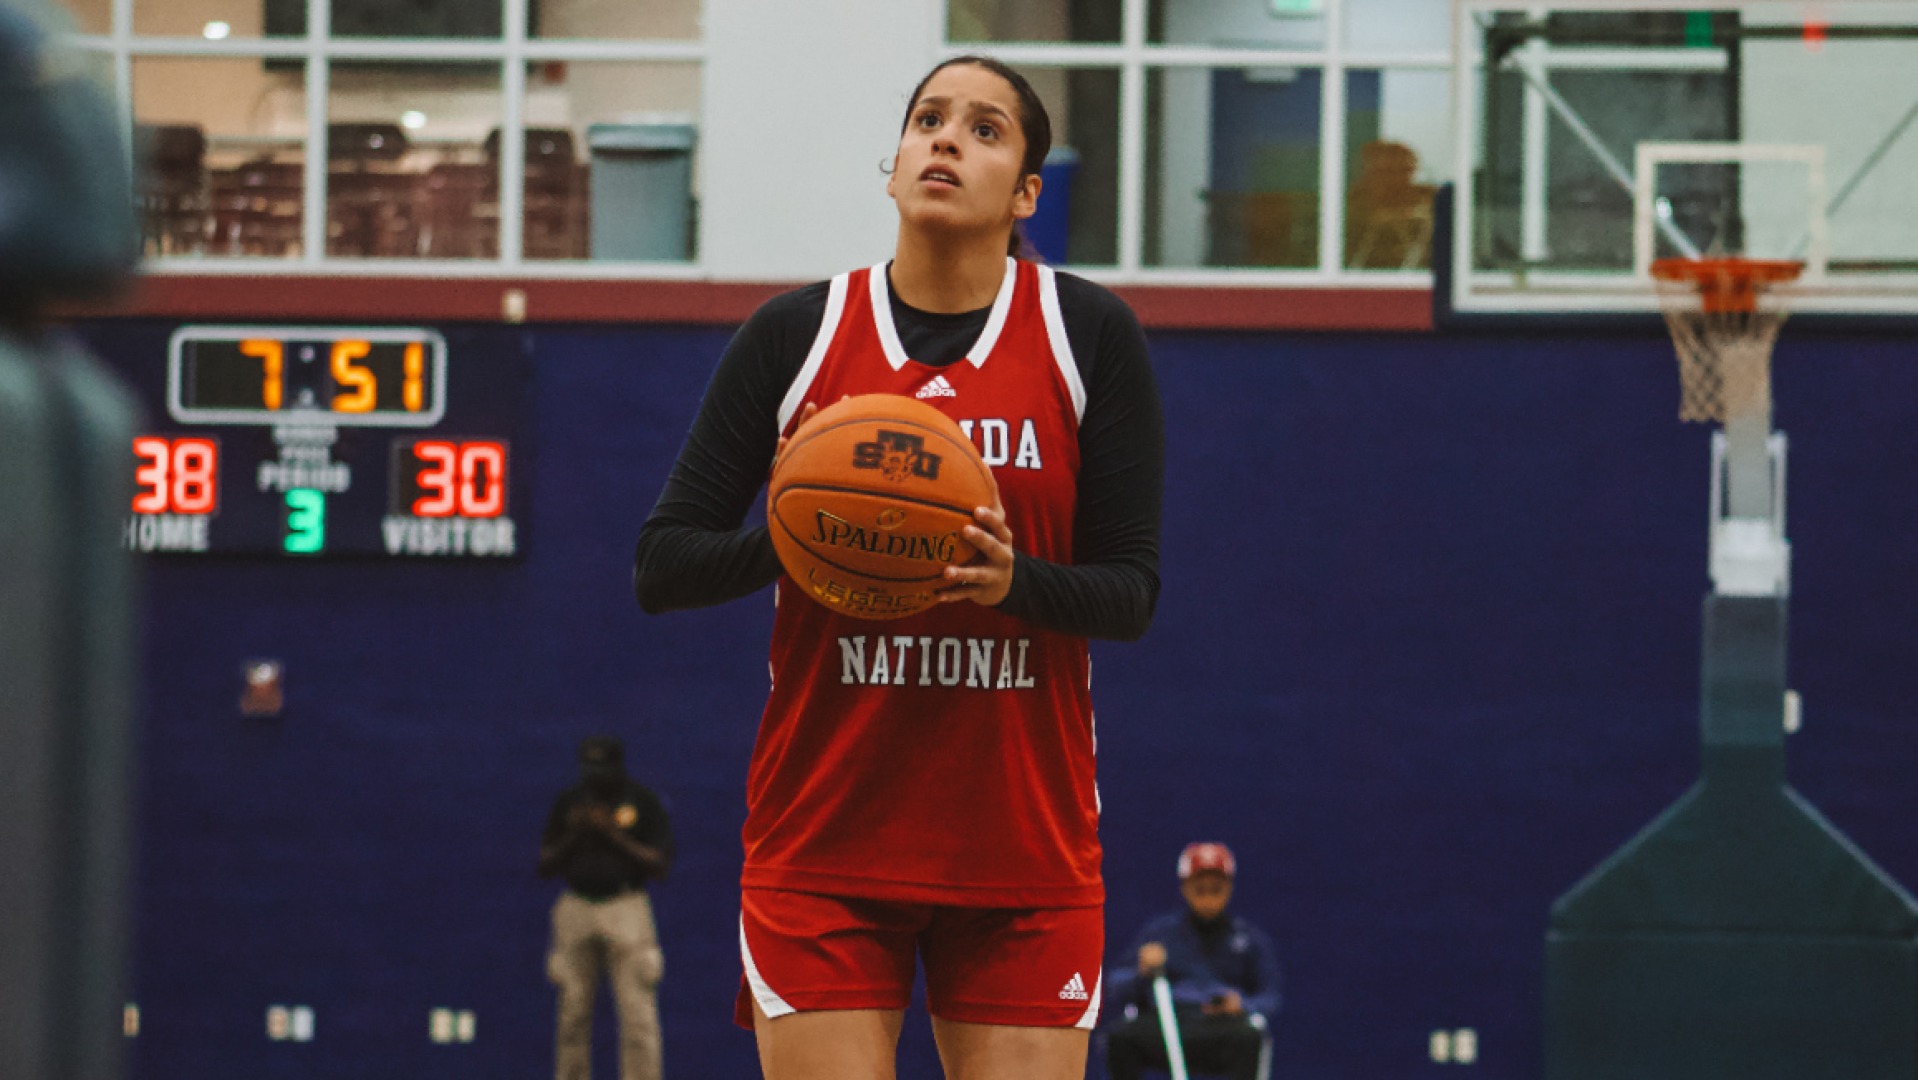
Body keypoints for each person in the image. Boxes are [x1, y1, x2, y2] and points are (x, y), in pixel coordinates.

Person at [632, 54, 1165, 1080]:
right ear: (895, 166)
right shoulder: (798, 333)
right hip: (825, 840)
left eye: (984, 128)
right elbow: (663, 564)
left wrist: (1016, 583)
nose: (947, 138)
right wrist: (799, 539)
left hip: (1023, 847)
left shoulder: (1085, 335)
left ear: (1026, 194)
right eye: (928, 119)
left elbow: (1131, 592)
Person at [538, 735, 675, 1080]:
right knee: (571, 1014)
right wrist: (576, 832)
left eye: (602, 767)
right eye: (589, 767)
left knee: (637, 1016)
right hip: (576, 906)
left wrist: (611, 833)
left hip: (626, 906)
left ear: (617, 766)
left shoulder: (640, 801)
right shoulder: (571, 802)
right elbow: (544, 864)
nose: (595, 775)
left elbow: (660, 865)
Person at [1104, 843, 1281, 1080]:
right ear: (1185, 888)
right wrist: (1142, 971)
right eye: (1200, 889)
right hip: (1168, 1022)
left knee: (1249, 1038)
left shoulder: (1249, 939)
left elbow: (1270, 996)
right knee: (1120, 1038)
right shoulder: (1160, 934)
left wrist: (1243, 1005)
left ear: (1229, 888)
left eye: (1216, 889)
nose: (1208, 899)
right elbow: (1117, 986)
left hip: (1220, 1027)